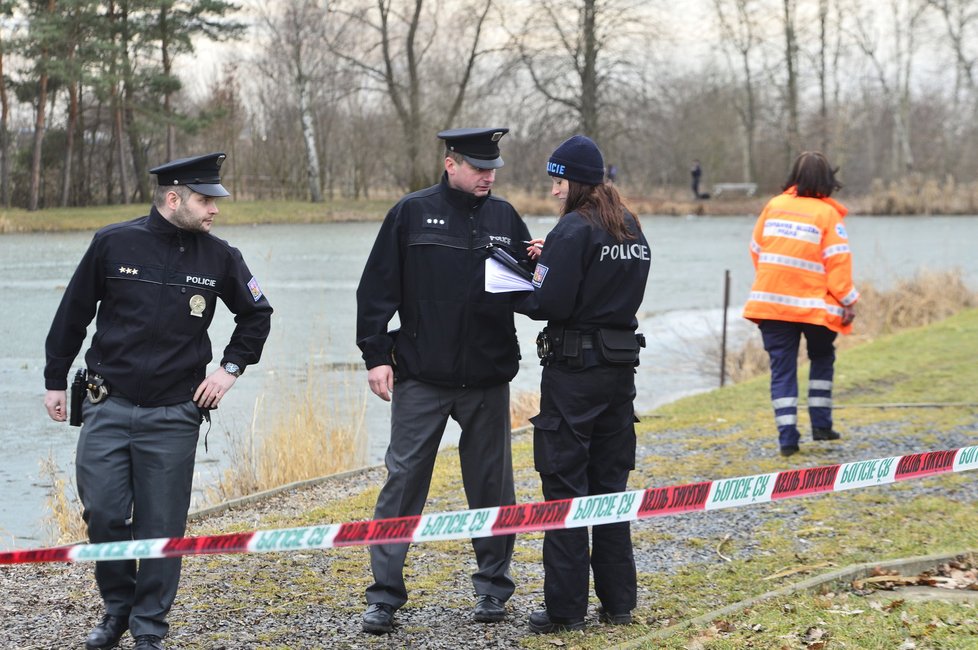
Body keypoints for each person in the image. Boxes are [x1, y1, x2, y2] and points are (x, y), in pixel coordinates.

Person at [43, 152, 273, 650]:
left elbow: (257, 315)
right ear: (174, 199)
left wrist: (229, 369)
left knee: (162, 526)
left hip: (174, 413)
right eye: (205, 200)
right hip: (108, 405)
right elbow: (72, 314)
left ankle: (149, 626)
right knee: (103, 514)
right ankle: (116, 610)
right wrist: (54, 378)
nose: (214, 209)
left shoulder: (222, 258)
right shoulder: (113, 243)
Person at [355, 127, 532, 634]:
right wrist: (375, 355)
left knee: (494, 486)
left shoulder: (505, 217)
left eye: (493, 168)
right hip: (421, 376)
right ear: (451, 164)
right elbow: (376, 288)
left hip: (486, 378)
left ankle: (494, 590)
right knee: (403, 482)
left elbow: (528, 290)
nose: (489, 176)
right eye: (479, 168)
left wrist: (544, 265)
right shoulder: (411, 213)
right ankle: (384, 596)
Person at [517, 135, 651, 633]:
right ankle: (619, 603)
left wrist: (513, 283)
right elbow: (599, 283)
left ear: (575, 182)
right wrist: (548, 259)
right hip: (619, 373)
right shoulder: (629, 225)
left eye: (558, 182)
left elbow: (548, 304)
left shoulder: (573, 229)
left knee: (565, 487)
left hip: (574, 375)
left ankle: (565, 610)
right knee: (610, 488)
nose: (554, 192)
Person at [742, 150, 858, 457]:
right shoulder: (828, 215)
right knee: (821, 356)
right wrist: (848, 302)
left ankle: (787, 439)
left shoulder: (773, 206)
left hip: (772, 304)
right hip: (814, 308)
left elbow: (756, 250)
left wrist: (776, 282)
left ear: (794, 176)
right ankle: (821, 425)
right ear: (828, 181)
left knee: (782, 370)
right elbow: (838, 266)